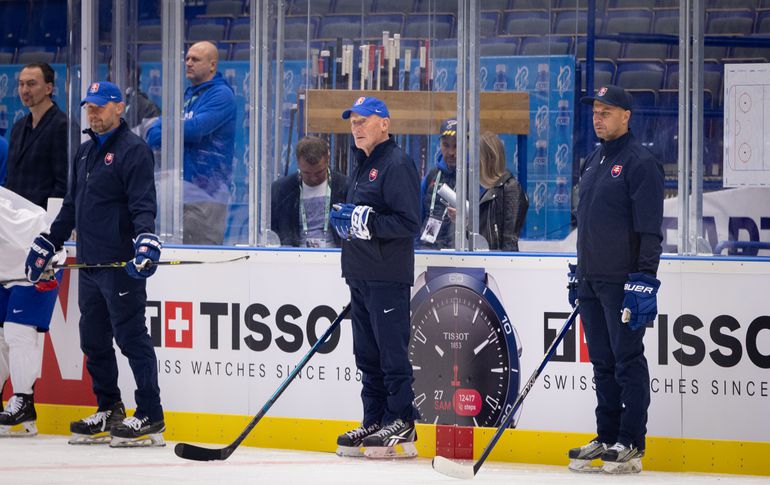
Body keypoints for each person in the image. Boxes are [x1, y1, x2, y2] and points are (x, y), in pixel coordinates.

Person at [24, 81, 166, 448]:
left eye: (101, 107)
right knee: (93, 340)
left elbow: (142, 205)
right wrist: (49, 240)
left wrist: (145, 240)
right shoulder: (85, 152)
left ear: (119, 108)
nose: (93, 112)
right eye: (89, 106)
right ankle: (109, 407)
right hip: (87, 265)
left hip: (121, 265)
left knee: (131, 338)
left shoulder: (135, 151)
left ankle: (150, 413)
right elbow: (72, 205)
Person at [567, 85, 663, 474]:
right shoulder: (593, 159)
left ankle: (631, 442)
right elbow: (590, 222)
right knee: (602, 364)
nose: (598, 117)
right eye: (595, 111)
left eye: (606, 112)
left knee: (626, 362)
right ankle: (607, 436)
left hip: (622, 283)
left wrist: (644, 280)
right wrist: (581, 269)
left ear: (626, 115)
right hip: (591, 280)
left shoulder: (640, 163)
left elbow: (650, 231)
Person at [329, 96, 421, 458]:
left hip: (387, 277)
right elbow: (361, 219)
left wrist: (367, 223)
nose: (357, 127)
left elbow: (408, 222)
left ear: (384, 123)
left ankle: (401, 421)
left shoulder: (396, 164)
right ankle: (375, 418)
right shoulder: (362, 163)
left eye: (364, 121)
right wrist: (348, 220)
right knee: (367, 356)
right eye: (353, 122)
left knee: (390, 355)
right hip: (360, 275)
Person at [146, 40, 236, 245]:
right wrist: (175, 127)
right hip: (179, 193)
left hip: (207, 193)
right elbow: (153, 136)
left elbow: (196, 130)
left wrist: (166, 125)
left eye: (195, 59)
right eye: (187, 58)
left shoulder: (221, 95)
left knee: (202, 263)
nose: (188, 63)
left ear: (212, 65)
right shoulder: (188, 96)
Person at [0, 187, 65, 437]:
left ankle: (23, 401)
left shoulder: (6, 214)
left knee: (18, 331)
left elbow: (37, 229)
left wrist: (43, 265)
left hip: (37, 262)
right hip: (6, 269)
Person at [3, 62, 68, 210]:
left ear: (48, 88)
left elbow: (63, 183)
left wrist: (46, 217)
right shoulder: (18, 127)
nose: (24, 90)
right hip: (16, 218)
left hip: (41, 220)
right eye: (21, 84)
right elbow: (11, 177)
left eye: (31, 84)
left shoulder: (62, 126)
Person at [271, 136, 348, 248]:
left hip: (335, 256)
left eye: (319, 172)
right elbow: (274, 231)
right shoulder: (281, 190)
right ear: (297, 162)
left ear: (328, 159)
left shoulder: (345, 186)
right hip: (293, 256)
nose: (313, 178)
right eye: (306, 173)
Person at [477, 131, 528, 251]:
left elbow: (509, 240)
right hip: (481, 259)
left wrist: (502, 266)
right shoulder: (481, 187)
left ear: (486, 159)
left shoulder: (510, 188)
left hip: (497, 262)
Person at [418, 118, 457, 249]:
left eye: (456, 146)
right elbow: (417, 215)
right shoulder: (432, 175)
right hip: (428, 250)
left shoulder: (474, 178)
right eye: (446, 145)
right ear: (439, 144)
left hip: (461, 254)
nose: (451, 152)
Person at [107, 54, 161, 139]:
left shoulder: (147, 107)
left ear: (131, 73)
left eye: (119, 68)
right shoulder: (103, 104)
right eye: (111, 69)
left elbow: (153, 140)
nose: (114, 73)